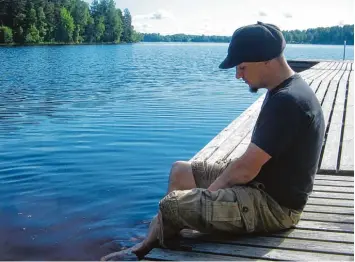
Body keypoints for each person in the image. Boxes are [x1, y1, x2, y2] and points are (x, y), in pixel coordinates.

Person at [101, 21, 325, 261]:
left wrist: (208, 194)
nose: (238, 75)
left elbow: (246, 169)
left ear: (266, 60)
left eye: (242, 67)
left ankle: (143, 250)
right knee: (180, 171)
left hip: (275, 207)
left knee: (172, 206)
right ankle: (164, 233)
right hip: (261, 183)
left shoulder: (288, 101)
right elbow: (251, 165)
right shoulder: (283, 90)